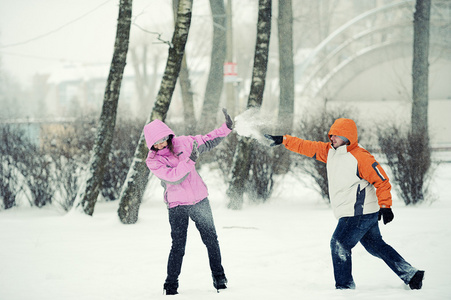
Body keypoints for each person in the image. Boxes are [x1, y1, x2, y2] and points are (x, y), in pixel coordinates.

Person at [264, 118, 425, 290]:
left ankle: (344, 287)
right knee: (376, 246)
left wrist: (386, 206)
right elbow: (307, 146)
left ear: (347, 137)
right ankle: (411, 274)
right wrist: (283, 140)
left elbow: (382, 180)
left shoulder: (360, 157)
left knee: (339, 243)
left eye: (336, 135)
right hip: (359, 211)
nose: (332, 138)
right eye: (331, 134)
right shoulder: (330, 151)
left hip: (357, 212)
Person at [144, 108, 233, 295]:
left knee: (211, 240)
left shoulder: (185, 142)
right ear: (151, 145)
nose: (160, 146)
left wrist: (226, 127)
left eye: (163, 141)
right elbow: (174, 177)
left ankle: (219, 278)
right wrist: (190, 161)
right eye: (156, 144)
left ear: (168, 136)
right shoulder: (153, 162)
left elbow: (208, 140)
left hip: (200, 200)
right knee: (178, 246)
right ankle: (170, 285)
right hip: (178, 207)